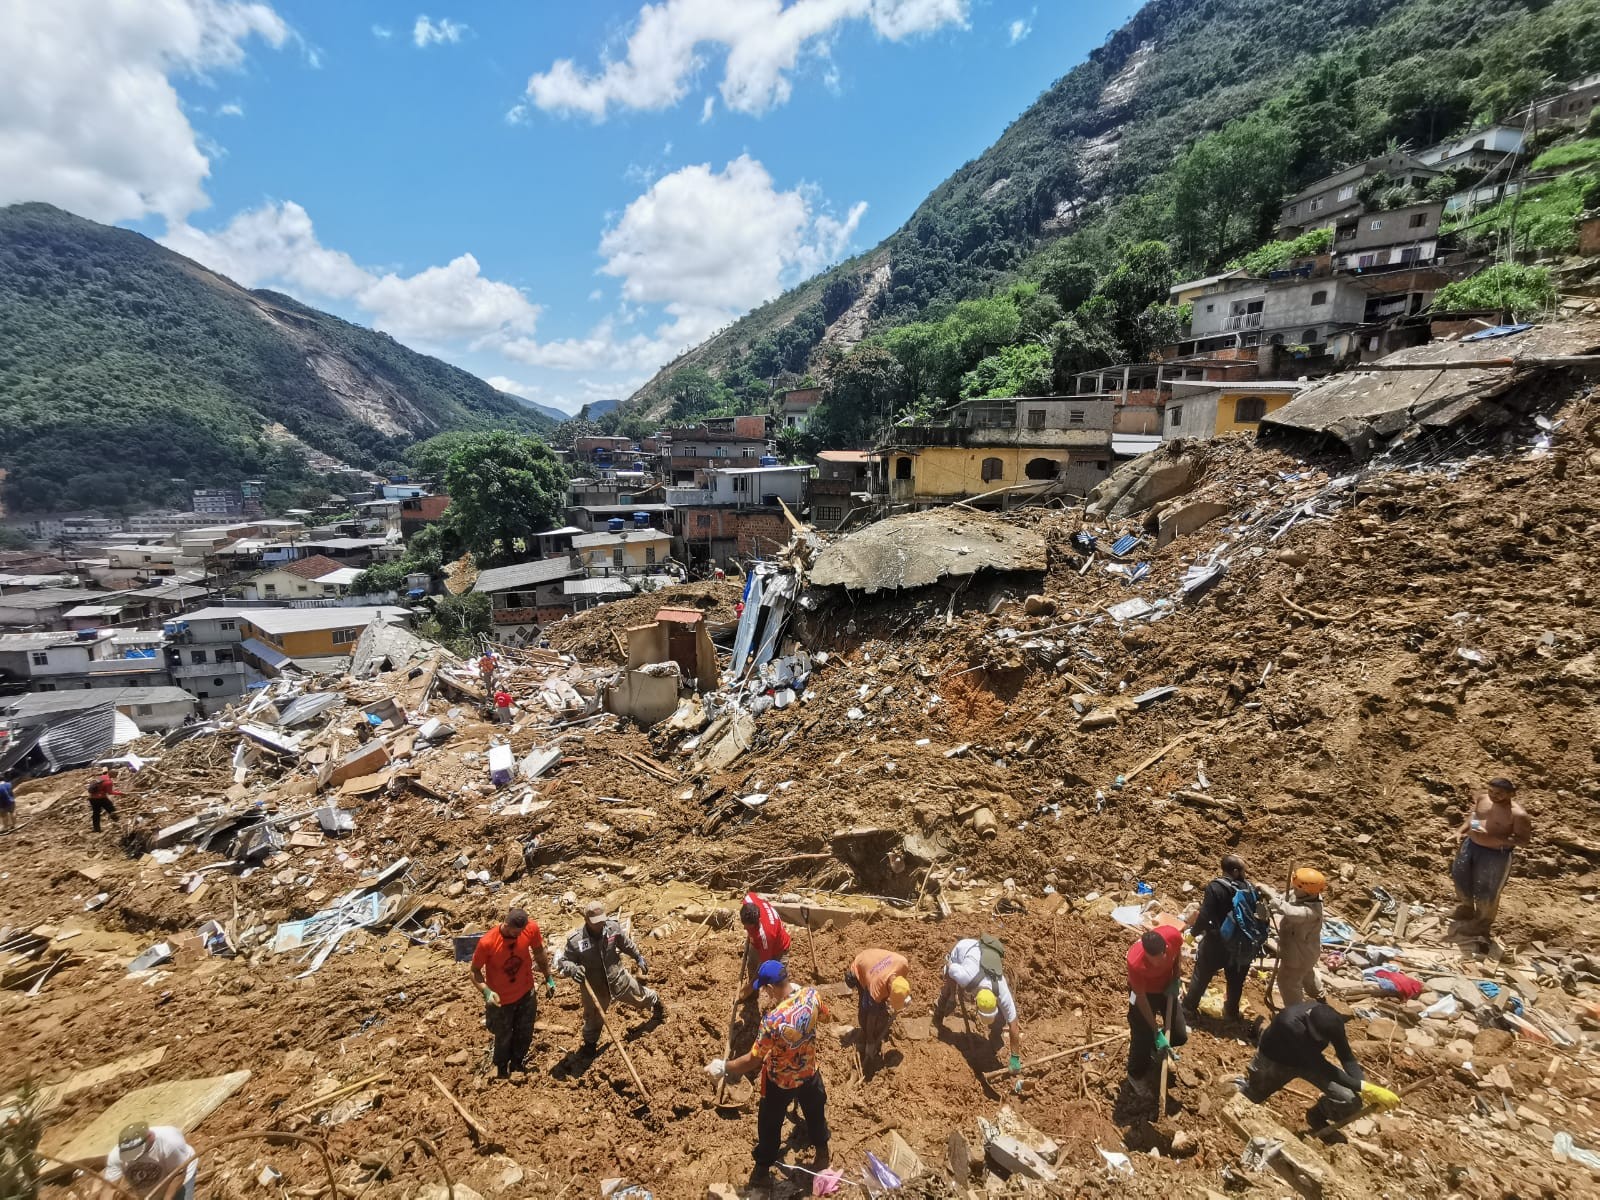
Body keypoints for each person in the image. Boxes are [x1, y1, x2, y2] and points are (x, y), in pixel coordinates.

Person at [707, 959, 830, 1189]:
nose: (764, 994)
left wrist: (725, 1066)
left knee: (770, 1124)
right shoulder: (812, 996)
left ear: (772, 988)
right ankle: (822, 1151)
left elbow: (753, 1060)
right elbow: (825, 1017)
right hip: (809, 1072)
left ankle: (763, 1167)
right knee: (815, 1112)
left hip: (780, 1081)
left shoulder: (773, 1021)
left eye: (764, 989)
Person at [1240, 1000, 1365, 1131]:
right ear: (1309, 1024)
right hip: (1276, 1059)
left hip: (1309, 1062)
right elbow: (1323, 1067)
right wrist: (1361, 1087)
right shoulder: (1289, 1023)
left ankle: (1316, 1117)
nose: (1323, 1042)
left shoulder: (1331, 1022)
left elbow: (1347, 1057)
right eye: (1321, 1038)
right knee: (1250, 1098)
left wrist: (1363, 1085)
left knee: (1350, 1101)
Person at [557, 900, 661, 1053]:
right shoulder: (576, 940)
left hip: (617, 977)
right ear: (586, 920)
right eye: (596, 922)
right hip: (594, 987)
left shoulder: (612, 928)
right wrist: (573, 969)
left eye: (602, 920)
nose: (600, 924)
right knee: (593, 1018)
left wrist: (637, 956)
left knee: (640, 996)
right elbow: (564, 962)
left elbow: (625, 944)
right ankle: (590, 1045)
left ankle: (658, 1005)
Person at [469, 907, 555, 1080]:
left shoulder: (530, 929)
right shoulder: (488, 942)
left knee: (525, 1032)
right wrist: (486, 992)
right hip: (501, 1000)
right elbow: (474, 971)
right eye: (516, 932)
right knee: (503, 1035)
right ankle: (501, 1068)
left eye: (521, 931)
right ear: (506, 925)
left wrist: (548, 977)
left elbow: (539, 952)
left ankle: (517, 1063)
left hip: (526, 993)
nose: (519, 935)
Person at [932, 936, 1023, 1085]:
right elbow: (949, 967)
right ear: (975, 1002)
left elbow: (1014, 1025)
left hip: (983, 957)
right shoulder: (964, 977)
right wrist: (953, 996)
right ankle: (937, 1018)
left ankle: (995, 1036)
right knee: (948, 991)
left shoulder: (1001, 988)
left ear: (996, 1001)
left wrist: (1015, 1057)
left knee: (1002, 1016)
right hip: (961, 951)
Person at [1182, 855, 1263, 1020]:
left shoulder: (1216, 887)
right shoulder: (1249, 887)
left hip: (1217, 943)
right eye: (1243, 870)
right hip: (1241, 944)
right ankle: (1231, 1012)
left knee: (1201, 975)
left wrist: (1193, 934)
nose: (1245, 873)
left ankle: (1188, 1008)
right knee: (1236, 981)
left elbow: (1205, 916)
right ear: (1235, 871)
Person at [1450, 777, 1532, 936]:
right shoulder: (1483, 799)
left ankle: (1482, 923)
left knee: (1487, 890)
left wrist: (1494, 837)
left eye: (1499, 793)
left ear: (1511, 794)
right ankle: (1466, 908)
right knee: (1460, 878)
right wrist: (1461, 831)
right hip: (1470, 845)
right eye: (1491, 791)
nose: (1493, 795)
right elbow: (1476, 816)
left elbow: (1523, 841)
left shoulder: (1518, 814)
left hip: (1494, 855)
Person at [1126, 925, 1189, 1093]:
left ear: (1165, 947)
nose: (1159, 962)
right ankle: (1135, 1074)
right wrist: (1155, 1031)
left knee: (1180, 1034)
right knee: (1143, 1035)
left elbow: (1177, 954)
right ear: (1146, 954)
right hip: (1141, 994)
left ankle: (1155, 1048)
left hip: (1166, 988)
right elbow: (1140, 997)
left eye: (1162, 956)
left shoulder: (1172, 936)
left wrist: (1176, 976)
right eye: (1154, 959)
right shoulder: (1135, 963)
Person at [1264, 869, 1328, 1007]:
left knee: (1288, 982)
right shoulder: (1304, 894)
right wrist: (1271, 898)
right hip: (1307, 952)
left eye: (1297, 888)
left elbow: (1292, 912)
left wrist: (1272, 897)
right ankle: (1319, 996)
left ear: (1307, 892)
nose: (1294, 890)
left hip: (1299, 954)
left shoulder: (1312, 912)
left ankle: (1296, 1012)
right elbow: (1284, 900)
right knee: (1306, 973)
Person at [845, 948, 911, 1065]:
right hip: (861, 966)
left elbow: (901, 985)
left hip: (874, 961)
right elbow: (871, 1017)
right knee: (865, 1012)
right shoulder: (875, 989)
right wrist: (870, 1040)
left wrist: (904, 996)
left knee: (878, 1006)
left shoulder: (903, 964)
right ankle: (864, 1035)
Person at [103, 1123, 197, 1200]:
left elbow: (179, 1174)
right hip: (151, 1186)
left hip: (181, 1175)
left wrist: (167, 1198)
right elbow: (109, 1188)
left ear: (150, 1138)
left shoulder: (168, 1144)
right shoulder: (116, 1155)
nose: (134, 1157)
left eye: (136, 1151)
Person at [738, 891, 791, 1001]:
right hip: (758, 942)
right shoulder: (749, 900)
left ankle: (784, 1005)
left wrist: (750, 986)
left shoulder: (765, 935)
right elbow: (752, 894)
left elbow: (764, 965)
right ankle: (753, 995)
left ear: (757, 922)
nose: (744, 929)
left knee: (779, 981)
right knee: (752, 964)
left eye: (748, 927)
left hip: (778, 949)